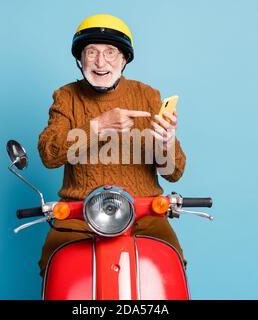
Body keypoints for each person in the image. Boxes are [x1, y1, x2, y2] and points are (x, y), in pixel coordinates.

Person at [37, 14, 187, 277]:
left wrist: (166, 142)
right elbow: (49, 155)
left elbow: (173, 173)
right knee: (54, 264)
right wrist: (97, 127)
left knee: (171, 261)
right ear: (80, 59)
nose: (100, 61)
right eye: (91, 52)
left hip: (143, 214)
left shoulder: (147, 95)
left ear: (124, 59)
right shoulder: (66, 97)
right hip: (79, 215)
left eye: (110, 52)